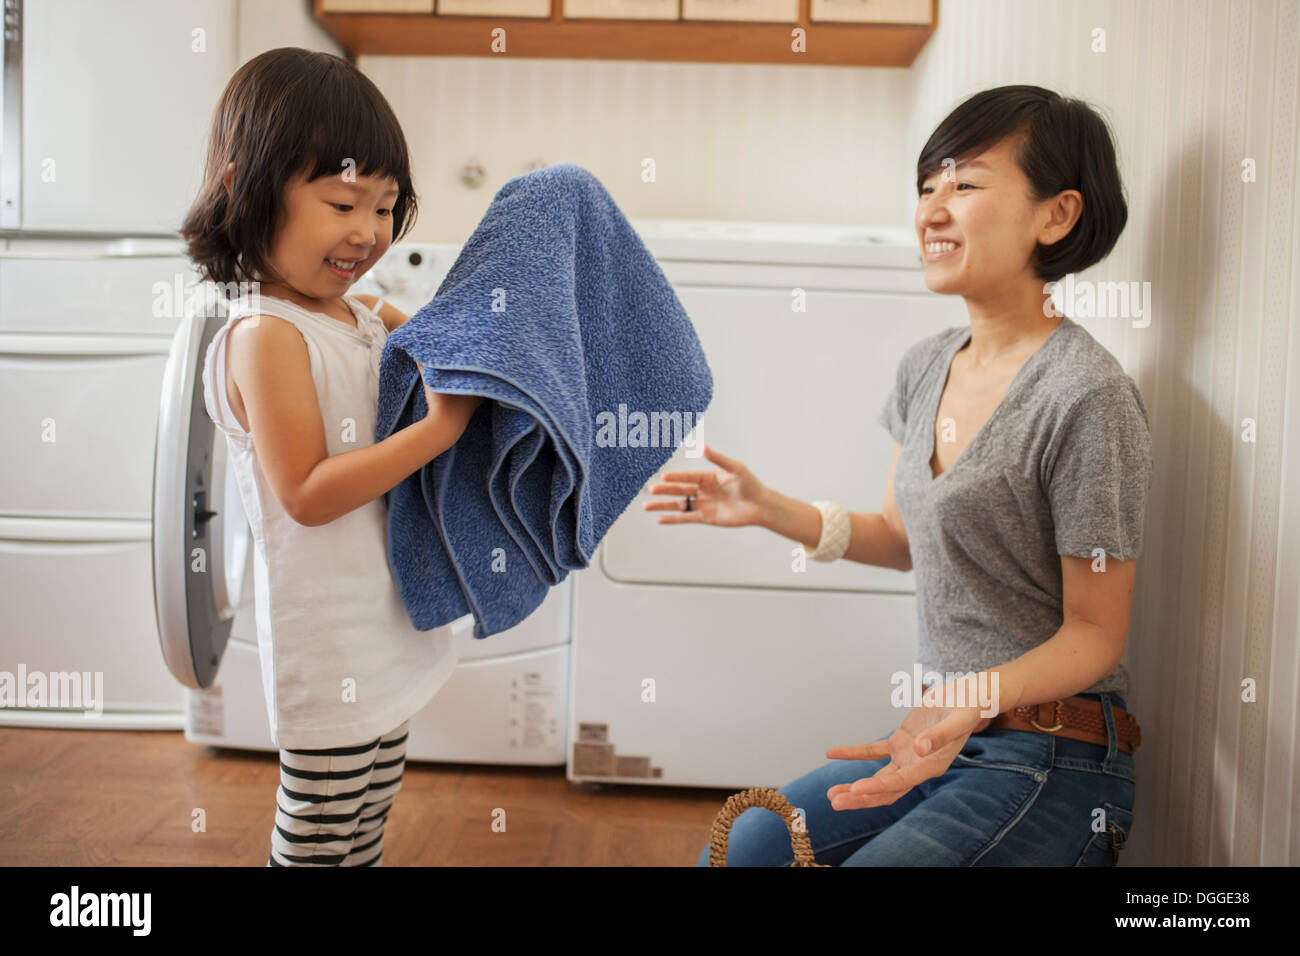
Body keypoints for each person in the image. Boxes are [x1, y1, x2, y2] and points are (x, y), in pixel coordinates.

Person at [646, 85, 1153, 866]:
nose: (932, 210)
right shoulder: (925, 366)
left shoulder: (1087, 395)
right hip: (946, 739)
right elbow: (900, 538)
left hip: (1057, 757)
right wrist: (765, 507)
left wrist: (970, 697)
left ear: (1056, 215)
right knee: (753, 842)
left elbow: (1096, 632)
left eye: (966, 184)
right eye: (926, 187)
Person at [180, 48, 483, 866]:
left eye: (385, 207)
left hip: (381, 625)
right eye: (343, 201)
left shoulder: (345, 313)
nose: (367, 231)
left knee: (368, 811)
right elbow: (308, 493)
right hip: (332, 642)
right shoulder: (267, 336)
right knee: (319, 832)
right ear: (250, 192)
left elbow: (413, 332)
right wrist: (438, 432)